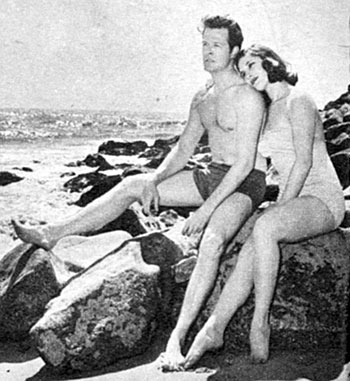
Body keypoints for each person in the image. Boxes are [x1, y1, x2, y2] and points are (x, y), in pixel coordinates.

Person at [12, 16, 267, 368]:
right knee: (133, 184)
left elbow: (242, 165)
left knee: (211, 240)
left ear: (234, 50)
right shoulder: (203, 97)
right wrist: (153, 179)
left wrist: (205, 211)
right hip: (211, 175)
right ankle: (52, 234)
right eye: (204, 44)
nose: (207, 52)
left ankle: (176, 340)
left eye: (216, 45)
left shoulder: (249, 96)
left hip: (244, 182)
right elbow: (183, 150)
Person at [180, 44, 345, 370]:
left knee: (265, 227)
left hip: (323, 199)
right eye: (243, 71)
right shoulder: (268, 109)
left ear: (271, 62)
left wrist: (280, 207)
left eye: (252, 65)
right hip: (296, 200)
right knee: (251, 247)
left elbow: (303, 161)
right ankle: (216, 326)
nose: (248, 74)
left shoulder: (300, 100)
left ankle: (260, 322)